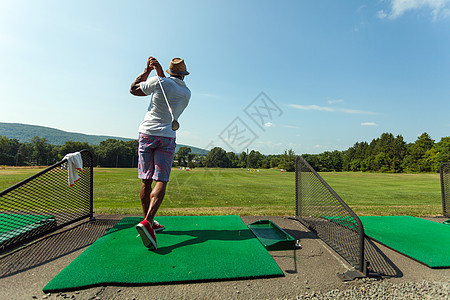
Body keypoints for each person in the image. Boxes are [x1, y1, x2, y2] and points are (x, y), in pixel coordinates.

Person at [130, 56, 191, 249]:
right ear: (184, 74)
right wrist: (159, 72)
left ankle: (146, 221)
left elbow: (134, 89)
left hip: (146, 133)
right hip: (167, 135)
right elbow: (168, 86)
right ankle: (149, 222)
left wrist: (148, 70)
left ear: (169, 72)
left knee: (146, 180)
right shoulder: (187, 92)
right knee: (161, 180)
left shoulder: (159, 81)